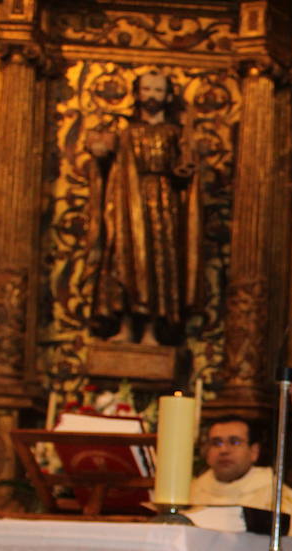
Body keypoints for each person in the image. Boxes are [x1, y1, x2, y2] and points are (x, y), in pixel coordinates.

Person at [86, 70, 202, 345]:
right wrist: (100, 153)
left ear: (168, 96)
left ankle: (152, 330)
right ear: (137, 94)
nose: (152, 96)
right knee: (125, 260)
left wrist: (188, 160)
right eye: (148, 90)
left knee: (159, 264)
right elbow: (107, 166)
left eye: (158, 90)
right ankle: (125, 326)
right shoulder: (127, 133)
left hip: (163, 207)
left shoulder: (175, 133)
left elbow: (187, 171)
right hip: (128, 202)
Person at [190, 416, 292, 551]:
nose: (224, 450)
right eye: (216, 443)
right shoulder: (191, 493)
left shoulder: (277, 495)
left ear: (254, 452)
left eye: (235, 442)